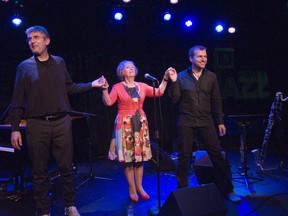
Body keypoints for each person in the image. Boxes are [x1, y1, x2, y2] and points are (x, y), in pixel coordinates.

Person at [9, 25, 106, 216]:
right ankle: (44, 210)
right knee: (39, 170)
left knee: (66, 167)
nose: (32, 41)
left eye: (36, 37)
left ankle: (70, 205)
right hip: (36, 124)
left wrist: (92, 85)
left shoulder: (59, 63)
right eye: (29, 39)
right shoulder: (24, 67)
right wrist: (14, 129)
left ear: (47, 41)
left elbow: (70, 88)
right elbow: (17, 100)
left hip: (62, 122)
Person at [168, 45, 241, 202]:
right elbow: (174, 99)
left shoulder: (211, 77)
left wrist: (220, 121)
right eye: (200, 56)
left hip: (206, 120)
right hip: (186, 120)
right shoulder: (180, 76)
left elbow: (216, 100)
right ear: (191, 58)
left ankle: (228, 190)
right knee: (184, 156)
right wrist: (173, 82)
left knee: (217, 154)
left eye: (205, 56)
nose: (203, 59)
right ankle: (182, 192)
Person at [101, 60, 176, 202]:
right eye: (127, 68)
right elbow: (109, 102)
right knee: (128, 159)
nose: (130, 69)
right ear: (121, 72)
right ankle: (132, 188)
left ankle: (140, 186)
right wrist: (104, 89)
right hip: (125, 124)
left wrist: (165, 78)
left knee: (139, 158)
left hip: (140, 123)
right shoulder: (117, 87)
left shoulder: (141, 86)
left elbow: (159, 91)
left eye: (132, 67)